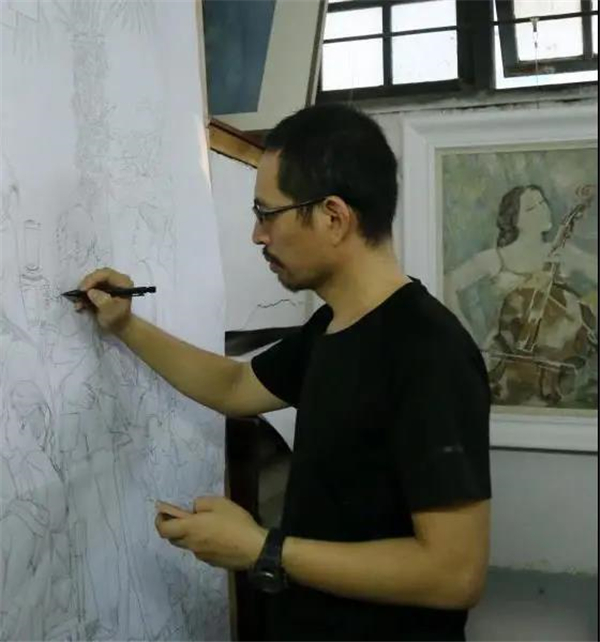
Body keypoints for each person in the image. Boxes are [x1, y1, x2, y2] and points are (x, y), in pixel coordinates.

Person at [73, 104, 491, 642]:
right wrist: (125, 325)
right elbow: (234, 386)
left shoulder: (428, 351)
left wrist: (261, 548)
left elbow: (454, 574)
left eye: (266, 214)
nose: (257, 235)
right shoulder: (332, 327)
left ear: (333, 217)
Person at [445, 184, 597, 407]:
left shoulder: (563, 253)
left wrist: (586, 307)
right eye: (531, 208)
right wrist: (466, 337)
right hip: (504, 365)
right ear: (514, 220)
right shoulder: (495, 258)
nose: (542, 210)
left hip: (552, 370)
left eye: (543, 203)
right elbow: (447, 284)